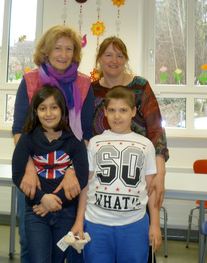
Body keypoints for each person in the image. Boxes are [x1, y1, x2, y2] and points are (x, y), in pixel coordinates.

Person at [12, 25, 94, 263]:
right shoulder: (29, 80)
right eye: (57, 47)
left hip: (68, 174)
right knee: (30, 241)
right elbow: (19, 128)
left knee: (67, 243)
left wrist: (71, 169)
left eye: (69, 49)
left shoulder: (84, 84)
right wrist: (29, 164)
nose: (63, 54)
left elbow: (86, 132)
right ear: (46, 51)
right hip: (34, 173)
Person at [91, 36, 169, 262]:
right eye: (108, 54)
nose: (114, 60)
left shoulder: (140, 85)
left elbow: (156, 131)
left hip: (138, 176)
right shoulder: (91, 88)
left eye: (119, 55)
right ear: (99, 59)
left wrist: (160, 173)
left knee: (137, 246)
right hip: (102, 180)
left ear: (125, 59)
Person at [71, 86, 162, 263]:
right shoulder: (95, 143)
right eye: (112, 110)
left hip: (134, 225)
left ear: (134, 112)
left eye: (123, 110)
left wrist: (155, 225)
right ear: (104, 112)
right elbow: (85, 185)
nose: (117, 116)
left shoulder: (145, 145)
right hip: (96, 224)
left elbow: (151, 189)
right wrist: (79, 221)